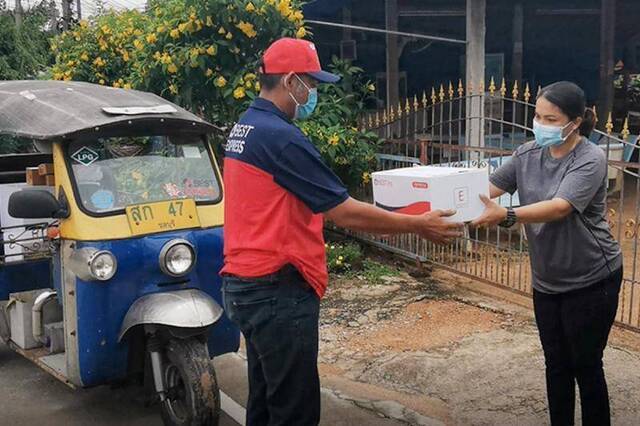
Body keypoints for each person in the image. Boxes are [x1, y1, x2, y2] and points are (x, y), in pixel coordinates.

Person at [220, 37, 464, 426]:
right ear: (290, 81)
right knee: (294, 411)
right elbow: (344, 212)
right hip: (276, 288)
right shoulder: (281, 138)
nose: (313, 93)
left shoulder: (245, 127)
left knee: (266, 399)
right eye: (311, 84)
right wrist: (417, 224)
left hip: (245, 283)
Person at [472, 81, 623, 426]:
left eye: (551, 119)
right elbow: (487, 190)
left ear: (574, 121)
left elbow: (560, 207)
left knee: (585, 365)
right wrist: (445, 201)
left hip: (592, 278)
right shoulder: (526, 154)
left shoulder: (590, 158)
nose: (541, 125)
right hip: (548, 279)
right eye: (538, 116)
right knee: (555, 363)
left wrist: (506, 215)